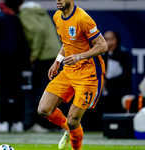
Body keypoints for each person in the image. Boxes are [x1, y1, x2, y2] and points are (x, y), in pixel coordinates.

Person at [36, 0, 108, 150]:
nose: (58, 0)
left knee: (73, 120)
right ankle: (69, 131)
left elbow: (103, 45)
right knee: (43, 109)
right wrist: (57, 60)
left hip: (88, 74)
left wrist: (79, 56)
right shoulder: (57, 16)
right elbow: (67, 41)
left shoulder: (83, 18)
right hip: (69, 70)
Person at [5, 0, 62, 132]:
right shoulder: (39, 10)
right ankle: (56, 124)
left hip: (44, 55)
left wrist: (33, 55)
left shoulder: (25, 13)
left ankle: (41, 124)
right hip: (55, 52)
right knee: (55, 90)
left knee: (43, 91)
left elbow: (38, 31)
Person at [0, 2, 30, 132]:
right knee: (17, 90)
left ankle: (2, 122)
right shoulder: (14, 18)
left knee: (2, 89)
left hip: (0, 59)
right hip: (17, 59)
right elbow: (22, 40)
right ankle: (18, 123)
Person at [102, 31, 132, 113]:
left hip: (120, 96)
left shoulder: (124, 55)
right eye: (106, 40)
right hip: (106, 97)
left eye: (111, 39)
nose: (108, 43)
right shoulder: (103, 56)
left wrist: (107, 83)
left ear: (117, 40)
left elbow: (126, 77)